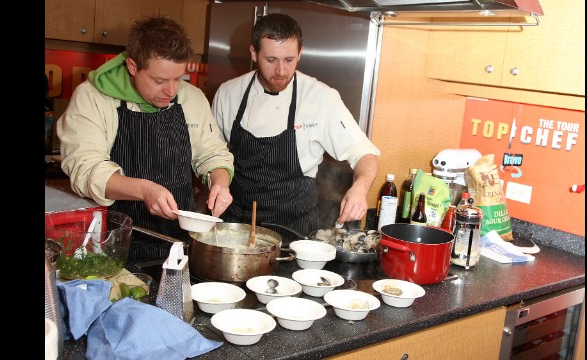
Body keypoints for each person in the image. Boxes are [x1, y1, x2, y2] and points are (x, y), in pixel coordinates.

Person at [57, 16, 234, 261]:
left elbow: (212, 153)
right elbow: (87, 170)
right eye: (159, 80)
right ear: (132, 66)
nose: (171, 91)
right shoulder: (92, 98)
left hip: (178, 244)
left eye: (177, 79)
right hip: (114, 245)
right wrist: (144, 190)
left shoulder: (192, 98)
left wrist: (219, 181)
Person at [211, 13, 380, 240]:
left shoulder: (321, 98)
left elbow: (365, 153)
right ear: (253, 53)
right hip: (235, 227)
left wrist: (359, 189)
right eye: (271, 60)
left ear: (300, 53)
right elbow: (212, 156)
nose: (281, 71)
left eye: (289, 60)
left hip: (294, 232)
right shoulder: (229, 93)